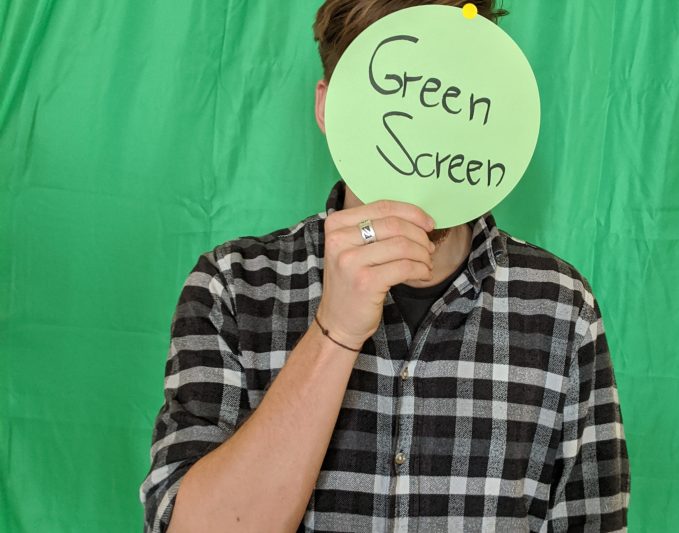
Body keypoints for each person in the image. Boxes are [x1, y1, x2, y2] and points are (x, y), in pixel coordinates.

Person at [138, 1, 630, 531]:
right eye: (401, 94)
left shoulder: (561, 307)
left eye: (453, 98)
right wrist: (334, 334)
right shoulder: (233, 288)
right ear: (328, 109)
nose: (428, 131)